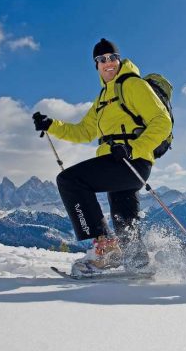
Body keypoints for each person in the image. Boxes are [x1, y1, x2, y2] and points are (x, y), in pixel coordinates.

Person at [33, 38, 172, 275]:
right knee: (123, 213)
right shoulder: (102, 99)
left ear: (119, 60)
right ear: (96, 65)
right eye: (101, 59)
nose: (108, 63)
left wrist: (133, 148)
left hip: (131, 161)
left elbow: (162, 123)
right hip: (118, 163)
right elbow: (84, 131)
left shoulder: (132, 85)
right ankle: (137, 261)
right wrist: (51, 125)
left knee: (70, 181)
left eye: (112, 58)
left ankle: (105, 249)